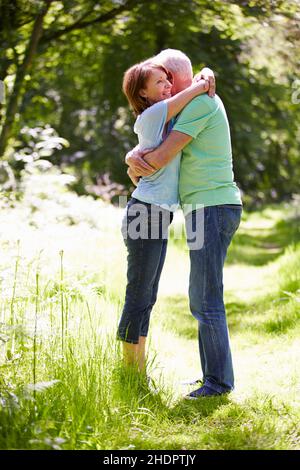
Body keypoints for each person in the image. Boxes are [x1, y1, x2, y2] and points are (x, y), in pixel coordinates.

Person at [126, 49, 242, 397]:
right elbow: (149, 143)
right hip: (201, 208)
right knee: (202, 296)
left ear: (175, 81)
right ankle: (212, 375)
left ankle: (219, 383)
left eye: (166, 81)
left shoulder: (199, 104)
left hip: (212, 206)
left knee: (205, 299)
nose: (164, 88)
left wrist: (137, 161)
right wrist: (131, 156)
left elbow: (160, 158)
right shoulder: (192, 103)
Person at [118, 57, 214, 376]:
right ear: (143, 94)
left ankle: (137, 369)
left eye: (167, 80)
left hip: (156, 214)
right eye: (159, 82)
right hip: (144, 213)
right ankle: (130, 371)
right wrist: (205, 80)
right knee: (139, 293)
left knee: (148, 294)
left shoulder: (162, 118)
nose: (167, 86)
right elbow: (190, 93)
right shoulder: (154, 113)